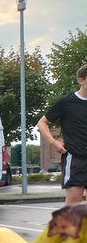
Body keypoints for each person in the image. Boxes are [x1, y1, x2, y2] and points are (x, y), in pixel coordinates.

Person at [38, 64, 87, 206]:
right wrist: (53, 143)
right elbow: (42, 123)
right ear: (81, 80)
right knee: (73, 204)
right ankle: (67, 228)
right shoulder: (66, 102)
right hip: (76, 158)